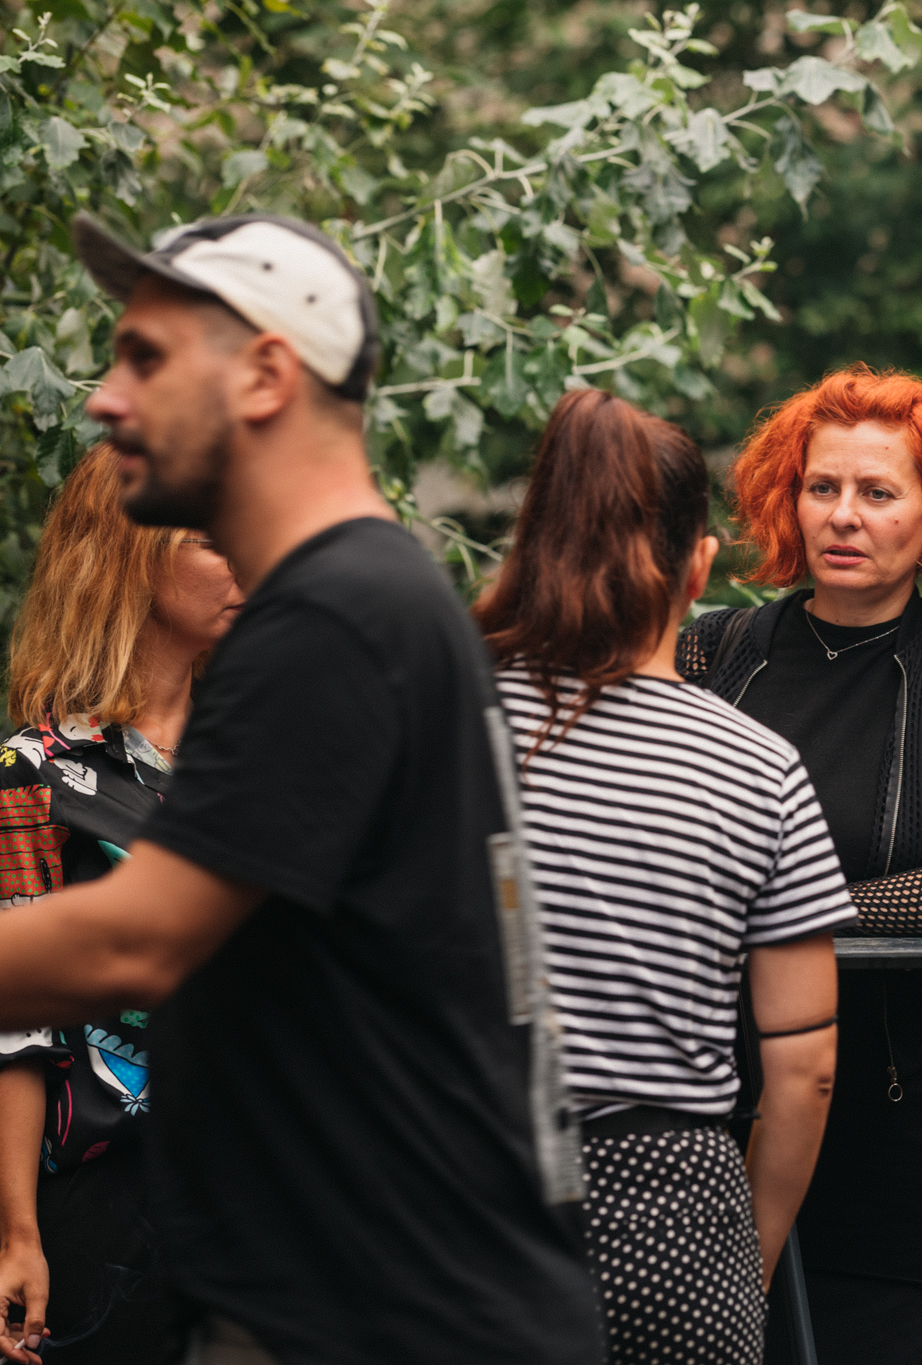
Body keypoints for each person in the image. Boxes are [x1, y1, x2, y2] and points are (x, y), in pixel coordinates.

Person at [0, 213, 603, 1365]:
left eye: (146, 360)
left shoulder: (333, 619)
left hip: (384, 1316)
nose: (106, 400)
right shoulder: (363, 600)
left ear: (267, 376)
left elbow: (135, 942)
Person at [475, 388, 853, 1364]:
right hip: (675, 1222)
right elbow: (804, 1067)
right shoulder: (758, 768)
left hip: (466, 1197)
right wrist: (741, 1263)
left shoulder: (447, 724)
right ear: (699, 567)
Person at [679, 366, 922, 1365]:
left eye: (878, 492)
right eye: (822, 487)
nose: (843, 515)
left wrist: (777, 909)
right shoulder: (717, 654)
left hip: (904, 1138)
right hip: (721, 1120)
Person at [0, 445, 242, 1364]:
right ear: (130, 554)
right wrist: (16, 1232)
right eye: (211, 538)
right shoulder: (34, 773)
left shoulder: (256, 761)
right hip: (106, 1207)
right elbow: (11, 1029)